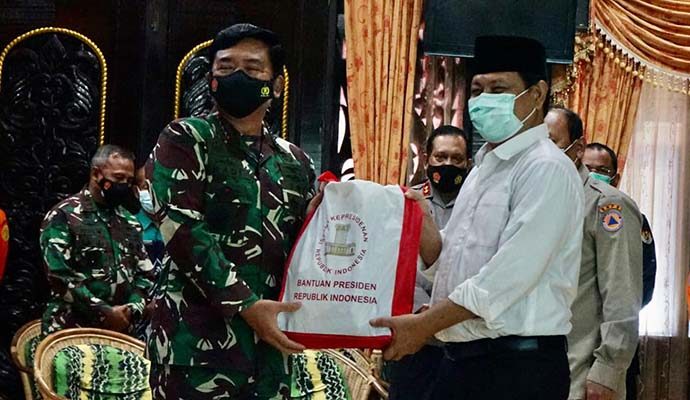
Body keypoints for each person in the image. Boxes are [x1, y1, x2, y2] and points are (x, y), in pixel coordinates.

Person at [371, 36, 585, 400]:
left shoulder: (546, 168)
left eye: (499, 89)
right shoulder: (483, 167)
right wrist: (419, 219)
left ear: (537, 94)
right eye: (477, 90)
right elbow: (451, 261)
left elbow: (504, 280)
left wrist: (422, 326)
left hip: (518, 370)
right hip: (462, 361)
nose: (484, 100)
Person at [145, 23, 316, 399]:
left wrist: (328, 215)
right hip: (195, 348)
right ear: (211, 79)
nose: (237, 76)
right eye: (225, 67)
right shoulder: (186, 138)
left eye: (253, 68)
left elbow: (308, 247)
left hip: (271, 352)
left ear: (276, 85)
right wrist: (247, 305)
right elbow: (183, 231)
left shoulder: (295, 161)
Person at [546, 107, 642, 400]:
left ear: (577, 149)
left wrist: (608, 371)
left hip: (582, 374)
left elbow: (622, 294)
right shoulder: (537, 199)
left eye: (551, 143)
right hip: (534, 369)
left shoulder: (606, 204)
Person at [387, 125, 471, 400]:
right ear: (426, 159)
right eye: (441, 157)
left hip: (463, 338)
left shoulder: (477, 205)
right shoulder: (406, 201)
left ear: (468, 163)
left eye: (456, 159)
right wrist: (420, 310)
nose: (448, 165)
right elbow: (392, 264)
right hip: (414, 337)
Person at [39, 145, 154, 336]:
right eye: (118, 178)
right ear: (96, 174)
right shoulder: (64, 215)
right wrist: (104, 312)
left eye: (129, 180)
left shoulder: (130, 222)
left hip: (120, 332)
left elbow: (145, 274)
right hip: (71, 329)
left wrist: (132, 308)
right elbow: (59, 276)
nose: (124, 185)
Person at [582, 143, 657, 400]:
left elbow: (643, 282)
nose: (594, 174)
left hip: (612, 346)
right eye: (588, 168)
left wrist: (617, 315)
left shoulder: (625, 213)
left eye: (602, 170)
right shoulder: (571, 212)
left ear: (615, 177)